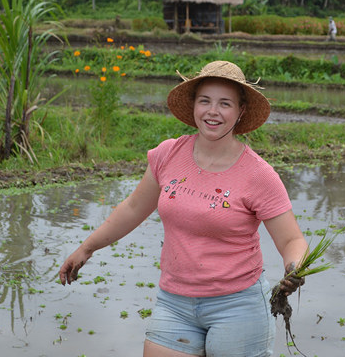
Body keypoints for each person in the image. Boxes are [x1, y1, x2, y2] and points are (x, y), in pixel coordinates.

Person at [59, 60, 309, 357]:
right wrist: (86, 248)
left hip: (238, 305)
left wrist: (294, 268)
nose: (213, 111)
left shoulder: (258, 174)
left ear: (240, 112)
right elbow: (133, 208)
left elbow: (292, 240)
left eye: (224, 103)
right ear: (194, 106)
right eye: (205, 101)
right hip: (174, 302)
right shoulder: (168, 154)